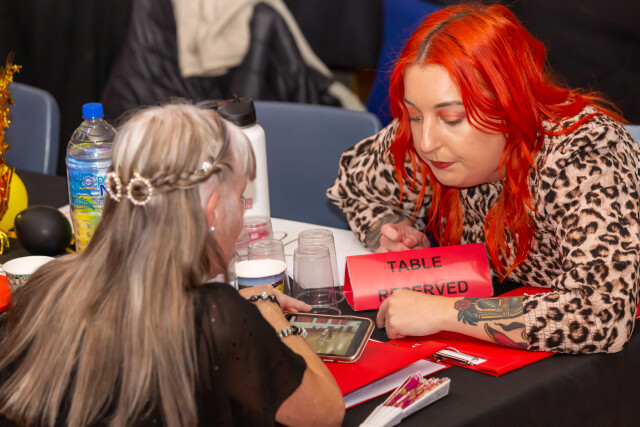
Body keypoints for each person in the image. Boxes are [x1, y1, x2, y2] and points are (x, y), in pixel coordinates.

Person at [0, 104, 344, 426]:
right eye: (240, 197)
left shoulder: (43, 287)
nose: (242, 211)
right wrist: (268, 312)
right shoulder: (214, 320)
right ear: (212, 212)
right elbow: (326, 413)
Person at [327, 4, 640, 354]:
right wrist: (389, 229)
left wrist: (444, 312)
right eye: (413, 115)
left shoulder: (584, 156)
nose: (426, 142)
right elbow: (352, 184)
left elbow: (602, 316)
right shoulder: (426, 144)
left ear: (508, 106)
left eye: (452, 119)